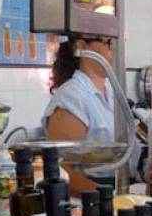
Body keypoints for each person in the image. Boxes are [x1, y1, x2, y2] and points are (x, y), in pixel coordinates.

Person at [42, 34, 121, 197]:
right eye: (109, 43)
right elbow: (58, 168)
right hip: (89, 201)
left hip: (121, 193)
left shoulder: (112, 93)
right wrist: (105, 197)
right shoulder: (72, 98)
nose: (116, 50)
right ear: (83, 47)